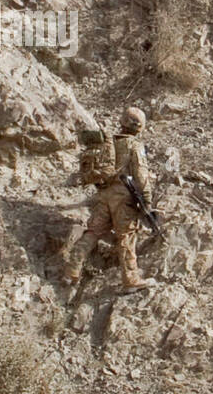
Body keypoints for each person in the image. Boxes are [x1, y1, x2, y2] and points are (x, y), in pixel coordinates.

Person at [63, 107, 156, 293]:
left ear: (122, 122)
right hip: (123, 198)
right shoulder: (134, 145)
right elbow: (141, 174)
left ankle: (71, 270)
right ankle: (131, 279)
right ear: (140, 127)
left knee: (93, 232)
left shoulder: (109, 143)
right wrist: (147, 200)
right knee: (126, 236)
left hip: (103, 195)